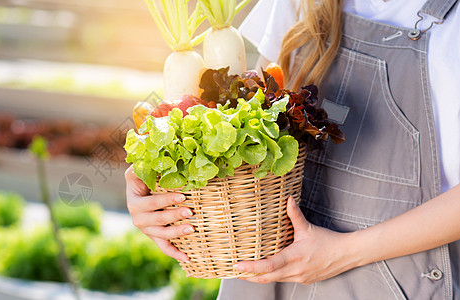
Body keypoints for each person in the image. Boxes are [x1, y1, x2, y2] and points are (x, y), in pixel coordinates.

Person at [124, 0, 460, 298]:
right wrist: (160, 182)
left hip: (395, 282)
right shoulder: (300, 3)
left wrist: (344, 252)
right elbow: (250, 121)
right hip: (272, 280)